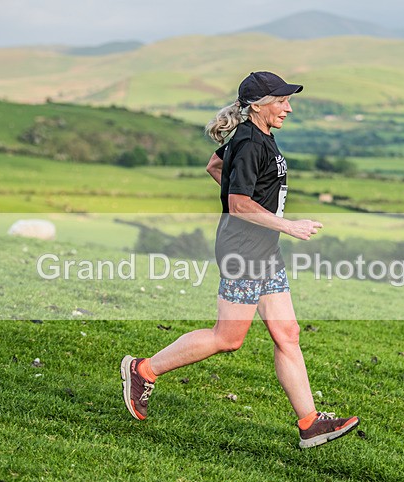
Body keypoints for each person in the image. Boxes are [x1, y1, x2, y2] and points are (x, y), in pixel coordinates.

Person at [120, 71, 359, 448]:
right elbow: (237, 203)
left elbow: (215, 168)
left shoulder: (256, 135)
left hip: (263, 249)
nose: (288, 108)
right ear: (260, 105)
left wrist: (266, 221)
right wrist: (285, 224)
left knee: (287, 333)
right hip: (244, 252)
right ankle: (143, 370)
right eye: (282, 101)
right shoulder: (249, 141)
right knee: (227, 338)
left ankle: (310, 422)